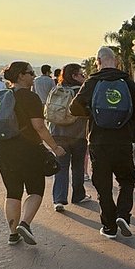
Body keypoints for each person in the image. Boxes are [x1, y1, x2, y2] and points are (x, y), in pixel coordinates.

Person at [0, 61, 66, 246]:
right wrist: (55, 147)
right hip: (28, 150)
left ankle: (13, 234)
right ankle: (25, 223)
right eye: (30, 73)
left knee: (13, 193)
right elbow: (39, 127)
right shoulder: (30, 98)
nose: (33, 76)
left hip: (4, 149)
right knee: (35, 190)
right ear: (21, 76)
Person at [71, 46, 135, 239]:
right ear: (116, 61)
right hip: (122, 141)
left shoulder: (93, 81)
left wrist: (93, 113)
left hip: (98, 141)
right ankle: (123, 215)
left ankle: (109, 226)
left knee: (103, 185)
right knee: (127, 180)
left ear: (98, 61)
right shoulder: (127, 81)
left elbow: (73, 108)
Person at [45, 64, 89, 212]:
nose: (84, 77)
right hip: (78, 135)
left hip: (57, 133)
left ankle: (59, 199)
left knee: (61, 167)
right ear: (74, 76)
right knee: (77, 167)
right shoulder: (81, 93)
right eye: (81, 75)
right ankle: (78, 195)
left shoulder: (56, 89)